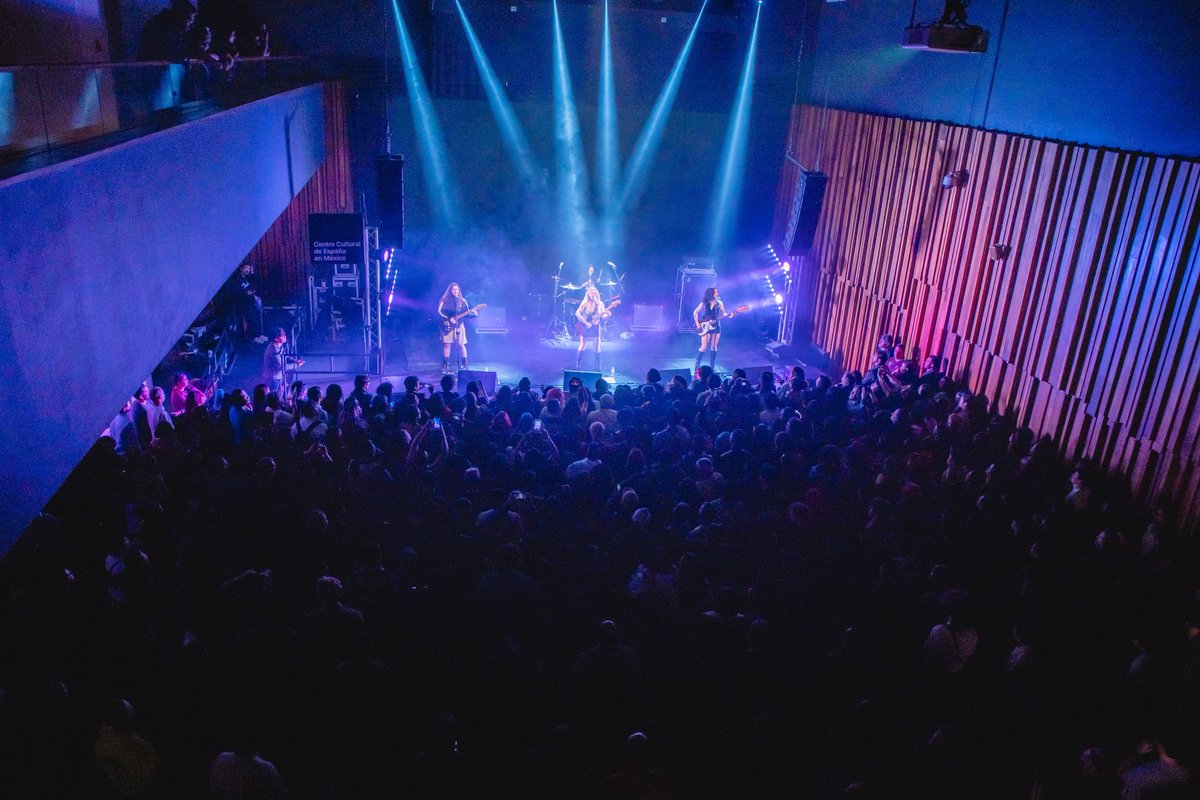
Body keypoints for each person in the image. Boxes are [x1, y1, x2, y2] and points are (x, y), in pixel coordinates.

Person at [438, 283, 477, 374]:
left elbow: (467, 315)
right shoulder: (445, 300)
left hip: (459, 326)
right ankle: (445, 365)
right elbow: (439, 312)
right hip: (448, 325)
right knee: (447, 345)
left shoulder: (462, 301)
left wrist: (474, 315)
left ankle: (464, 364)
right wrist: (448, 319)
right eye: (453, 289)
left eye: (457, 290)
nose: (455, 291)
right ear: (450, 290)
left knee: (461, 345)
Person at [226, 263, 266, 343]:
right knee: (251, 320)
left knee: (256, 318)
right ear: (241, 269)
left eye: (248, 268)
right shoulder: (236, 279)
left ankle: (259, 335)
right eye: (246, 268)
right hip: (243, 304)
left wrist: (252, 272)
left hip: (250, 301)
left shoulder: (247, 277)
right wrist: (245, 293)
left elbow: (257, 281)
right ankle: (253, 337)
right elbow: (234, 293)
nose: (247, 270)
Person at [575, 287, 612, 371]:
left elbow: (602, 317)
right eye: (592, 293)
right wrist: (586, 323)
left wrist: (608, 315)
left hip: (595, 326)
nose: (593, 295)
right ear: (588, 294)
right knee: (582, 344)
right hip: (584, 325)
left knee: (596, 346)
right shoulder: (585, 303)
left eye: (595, 293)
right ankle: (578, 364)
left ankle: (598, 365)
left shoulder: (600, 304)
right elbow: (577, 313)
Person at [693, 286, 726, 375]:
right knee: (703, 347)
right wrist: (698, 324)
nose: (717, 293)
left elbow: (723, 314)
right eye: (716, 292)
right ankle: (696, 367)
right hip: (705, 326)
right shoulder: (704, 303)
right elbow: (695, 312)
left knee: (714, 347)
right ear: (711, 294)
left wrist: (730, 315)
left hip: (716, 326)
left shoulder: (719, 303)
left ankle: (712, 368)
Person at [262, 327, 288, 395]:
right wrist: (295, 365)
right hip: (273, 378)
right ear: (276, 339)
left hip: (278, 376)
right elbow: (280, 366)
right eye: (282, 335)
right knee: (276, 397)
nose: (285, 336)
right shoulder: (273, 349)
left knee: (281, 395)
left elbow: (284, 357)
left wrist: (295, 361)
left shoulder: (279, 346)